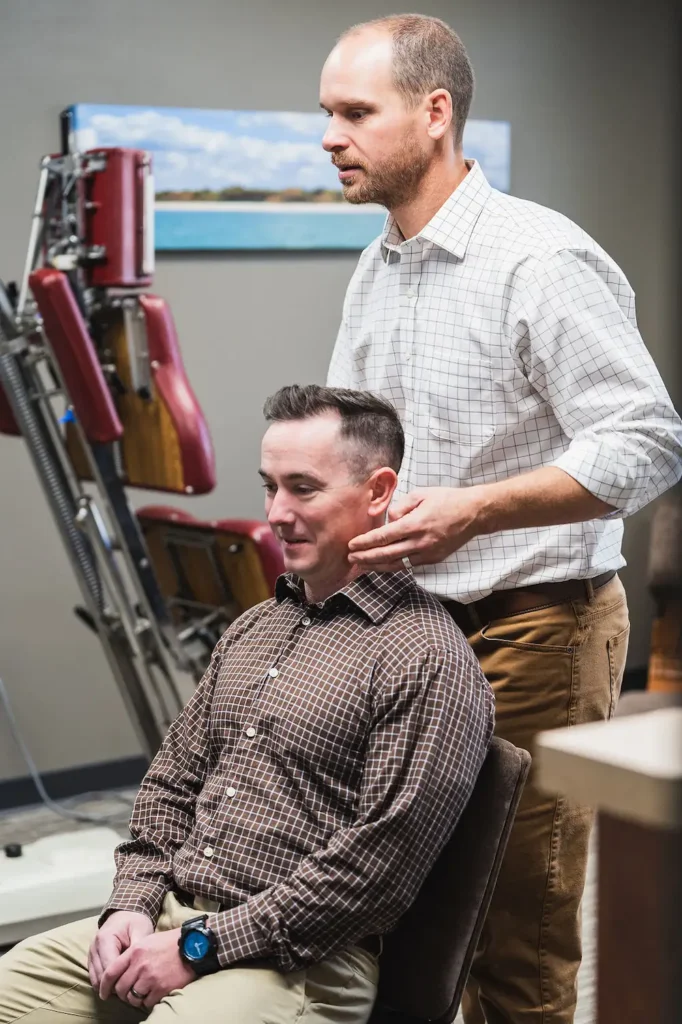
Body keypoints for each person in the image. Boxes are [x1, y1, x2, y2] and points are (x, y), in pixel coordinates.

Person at [321, 14, 682, 1024]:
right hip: (408, 631)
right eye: (327, 113)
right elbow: (370, 443)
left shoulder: (541, 259)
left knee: (519, 929)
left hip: (536, 626)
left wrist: (478, 509)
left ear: (434, 114)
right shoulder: (376, 267)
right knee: (414, 912)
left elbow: (647, 439)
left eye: (355, 112)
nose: (329, 135)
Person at [0, 385, 493, 1024]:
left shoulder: (425, 657)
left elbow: (374, 874)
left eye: (303, 489)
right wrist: (131, 904)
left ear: (377, 493)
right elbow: (172, 781)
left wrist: (201, 947)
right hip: (175, 918)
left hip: (302, 961)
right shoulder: (256, 628)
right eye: (270, 487)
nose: (276, 514)